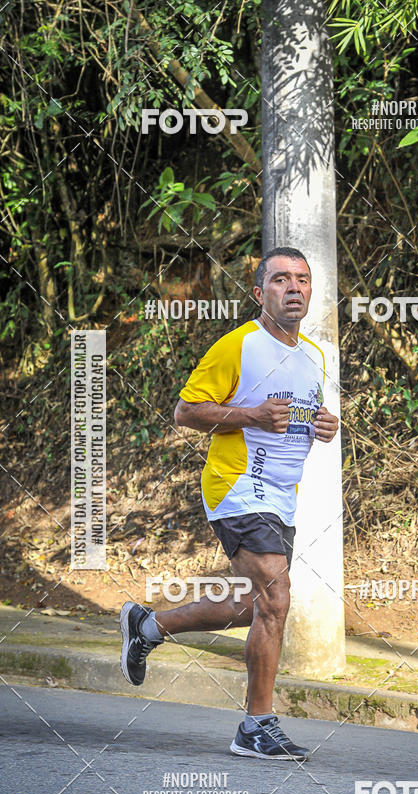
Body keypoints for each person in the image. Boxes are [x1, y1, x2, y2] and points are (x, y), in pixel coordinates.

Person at [120, 247, 339, 760]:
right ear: (260, 293)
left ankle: (146, 625)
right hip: (236, 486)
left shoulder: (314, 356)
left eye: (302, 280)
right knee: (277, 599)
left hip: (284, 496)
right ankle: (256, 725)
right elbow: (186, 411)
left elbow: (300, 416)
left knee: (250, 605)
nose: (294, 288)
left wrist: (323, 425)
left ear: (310, 291)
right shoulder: (238, 346)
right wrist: (252, 416)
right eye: (281, 280)